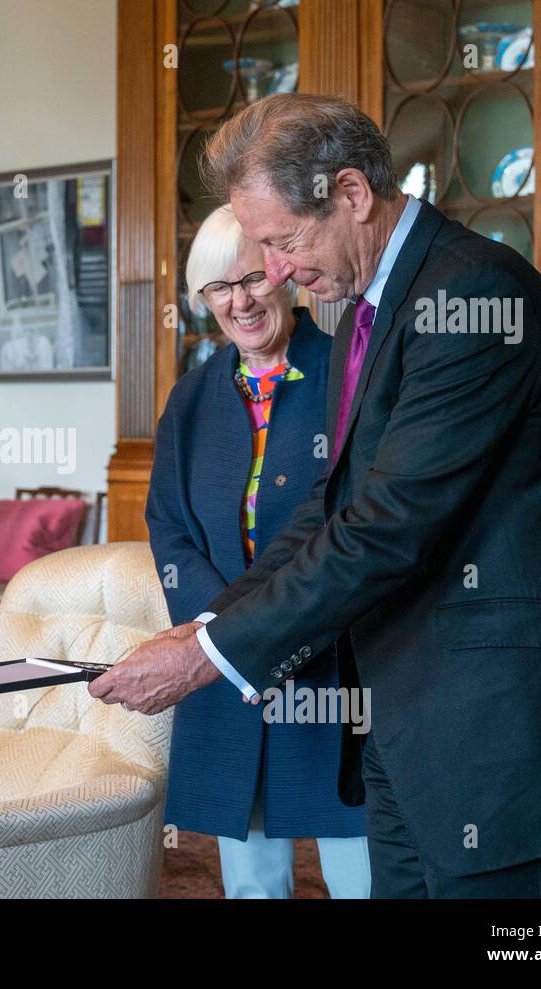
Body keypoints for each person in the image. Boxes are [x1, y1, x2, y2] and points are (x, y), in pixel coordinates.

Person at [91, 93, 541, 898]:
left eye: (282, 242)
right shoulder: (368, 311)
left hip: (498, 736)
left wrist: (204, 658)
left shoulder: (473, 298)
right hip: (403, 730)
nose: (274, 273)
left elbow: (387, 528)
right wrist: (208, 625)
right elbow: (334, 503)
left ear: (350, 194)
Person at [149, 204, 369, 898]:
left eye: (252, 277)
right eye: (219, 287)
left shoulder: (346, 373)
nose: (239, 300)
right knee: (252, 884)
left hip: (332, 666)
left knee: (361, 877)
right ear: (202, 300)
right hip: (225, 670)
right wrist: (220, 631)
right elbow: (169, 526)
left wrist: (260, 630)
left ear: (286, 274)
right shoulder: (191, 397)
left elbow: (353, 523)